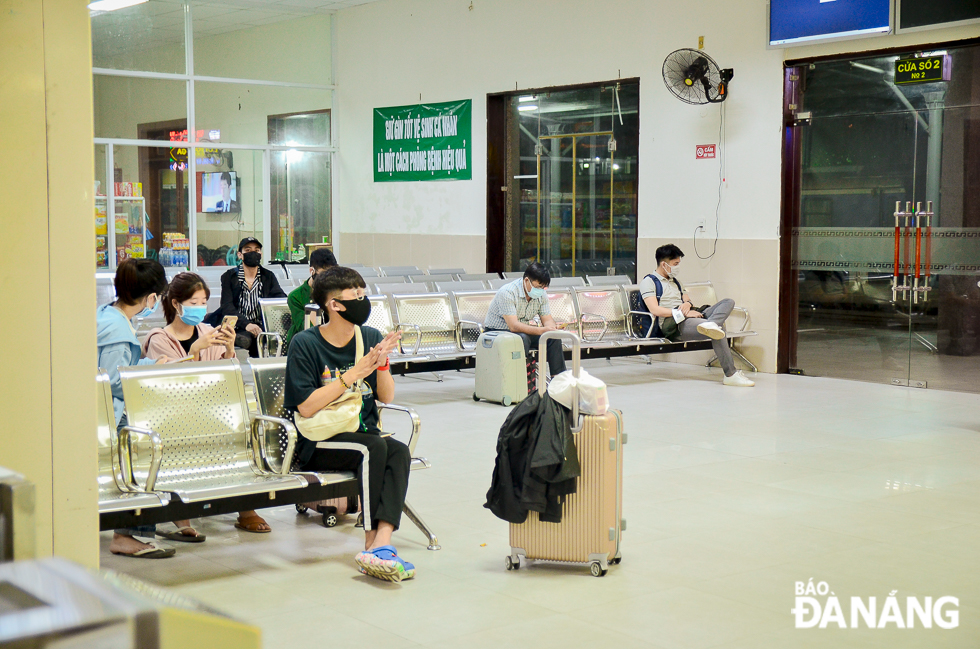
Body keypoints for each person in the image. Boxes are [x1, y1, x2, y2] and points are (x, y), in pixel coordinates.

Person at [283, 267, 413, 582]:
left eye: (362, 294)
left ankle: (383, 542)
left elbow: (386, 395)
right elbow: (306, 406)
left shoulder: (368, 337)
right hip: (320, 441)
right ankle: (370, 543)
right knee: (374, 447)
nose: (362, 300)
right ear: (334, 305)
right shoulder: (305, 343)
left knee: (398, 451)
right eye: (355, 296)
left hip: (363, 434)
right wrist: (350, 375)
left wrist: (382, 363)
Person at [142, 272, 273, 538]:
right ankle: (180, 514)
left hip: (211, 410)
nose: (200, 308)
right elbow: (169, 386)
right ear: (176, 304)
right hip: (174, 416)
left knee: (245, 433)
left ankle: (246, 508)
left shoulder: (207, 331)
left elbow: (226, 378)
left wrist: (227, 350)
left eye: (203, 301)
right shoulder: (159, 339)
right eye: (194, 302)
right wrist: (194, 352)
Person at [96, 258, 174, 559]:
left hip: (104, 414)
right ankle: (127, 534)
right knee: (148, 452)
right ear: (151, 298)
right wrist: (146, 377)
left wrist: (151, 364)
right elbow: (113, 379)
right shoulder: (118, 331)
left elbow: (118, 368)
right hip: (110, 418)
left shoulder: (108, 315)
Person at [640, 244, 755, 387]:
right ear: (664, 264)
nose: (677, 267)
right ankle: (730, 374)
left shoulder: (676, 281)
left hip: (689, 315)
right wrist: (683, 313)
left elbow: (687, 299)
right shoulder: (649, 282)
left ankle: (711, 324)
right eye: (675, 264)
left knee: (728, 302)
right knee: (719, 330)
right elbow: (655, 310)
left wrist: (687, 306)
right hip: (673, 324)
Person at [484, 262, 567, 378]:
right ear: (527, 280)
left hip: (522, 332)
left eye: (543, 287)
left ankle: (559, 380)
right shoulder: (508, 292)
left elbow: (547, 319)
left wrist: (552, 328)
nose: (540, 290)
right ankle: (520, 379)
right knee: (522, 339)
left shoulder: (541, 294)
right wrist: (542, 330)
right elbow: (513, 326)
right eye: (538, 287)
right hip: (497, 332)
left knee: (552, 338)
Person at [215, 237, 287, 357]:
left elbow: (279, 297)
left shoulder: (268, 276)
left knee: (261, 337)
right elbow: (227, 306)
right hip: (238, 324)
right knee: (248, 338)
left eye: (256, 250)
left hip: (261, 326)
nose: (253, 253)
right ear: (240, 255)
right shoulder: (230, 277)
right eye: (248, 250)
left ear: (261, 254)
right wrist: (247, 324)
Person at [285, 247, 338, 345]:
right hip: (304, 345)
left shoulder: (337, 292)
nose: (328, 278)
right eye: (324, 274)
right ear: (312, 271)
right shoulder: (296, 296)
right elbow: (306, 329)